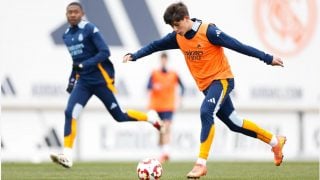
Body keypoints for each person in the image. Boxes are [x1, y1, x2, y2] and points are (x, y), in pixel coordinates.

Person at [123, 2, 286, 179]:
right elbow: (155, 45)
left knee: (206, 112)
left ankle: (201, 164)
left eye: (176, 25)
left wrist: (267, 58)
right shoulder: (178, 37)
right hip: (207, 88)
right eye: (172, 26)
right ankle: (275, 142)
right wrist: (135, 55)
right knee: (234, 122)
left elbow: (238, 45)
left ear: (186, 18)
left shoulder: (208, 31)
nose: (175, 29)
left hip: (221, 80)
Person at [50, 2, 163, 168]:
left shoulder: (90, 29)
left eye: (76, 12)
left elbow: (105, 52)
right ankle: (67, 155)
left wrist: (85, 65)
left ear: (82, 13)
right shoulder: (66, 35)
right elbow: (76, 62)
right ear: (66, 15)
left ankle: (150, 117)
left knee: (119, 116)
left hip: (101, 80)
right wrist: (72, 79)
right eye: (69, 12)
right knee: (70, 112)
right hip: (83, 82)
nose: (72, 15)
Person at [147, 52, 185, 163]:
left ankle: (166, 152)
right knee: (160, 130)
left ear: (167, 60)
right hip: (157, 106)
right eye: (162, 60)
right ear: (160, 60)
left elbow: (182, 87)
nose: (163, 62)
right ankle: (162, 152)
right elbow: (148, 86)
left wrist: (181, 99)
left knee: (166, 127)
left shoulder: (173, 74)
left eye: (165, 60)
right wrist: (154, 86)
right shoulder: (154, 73)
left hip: (168, 105)